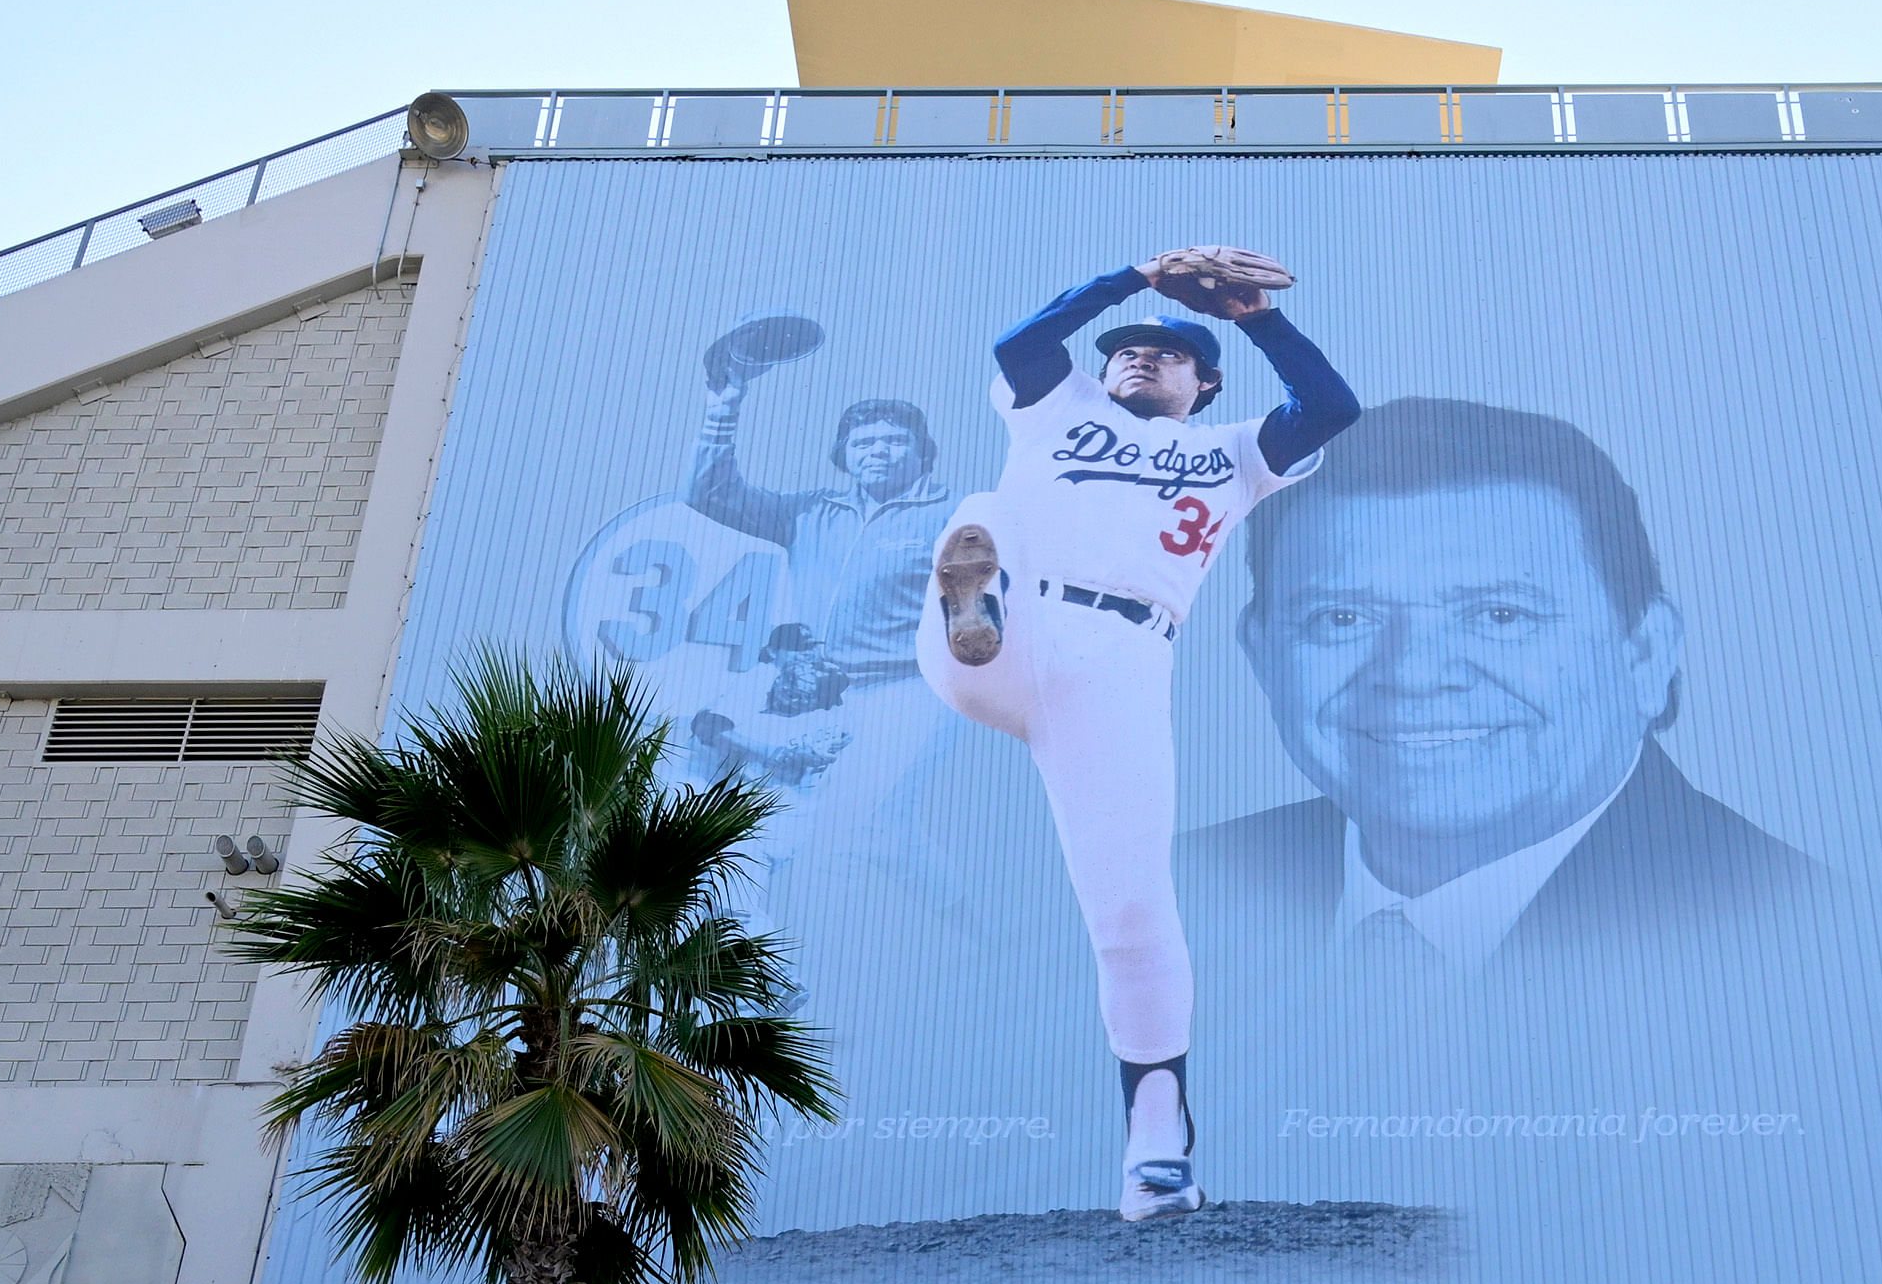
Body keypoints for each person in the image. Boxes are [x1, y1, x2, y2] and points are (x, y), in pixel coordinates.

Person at [917, 250, 1362, 1220]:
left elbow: (1330, 409)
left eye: (1168, 354)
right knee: (981, 514)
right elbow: (1019, 344)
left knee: (1130, 911)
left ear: (1205, 384)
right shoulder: (1056, 405)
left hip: (1121, 666)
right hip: (1013, 624)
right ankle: (971, 607)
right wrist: (1135, 279)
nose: (1140, 359)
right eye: (1128, 351)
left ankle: (1156, 1147)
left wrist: (1254, 319)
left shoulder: (1235, 454)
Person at [1182, 397, 1819, 984]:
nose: (1414, 677)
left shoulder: (1796, 930)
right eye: (1342, 619)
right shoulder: (1180, 893)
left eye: (1501, 616)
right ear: (1262, 655)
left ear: (1644, 652)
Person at [681, 355, 963, 882]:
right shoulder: (810, 511)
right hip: (819, 694)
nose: (877, 450)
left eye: (894, 440)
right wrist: (723, 410)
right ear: (845, 457)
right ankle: (987, 929)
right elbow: (710, 495)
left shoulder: (957, 513)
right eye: (862, 443)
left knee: (860, 829)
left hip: (904, 694)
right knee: (853, 838)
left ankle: (985, 932)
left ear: (923, 453)